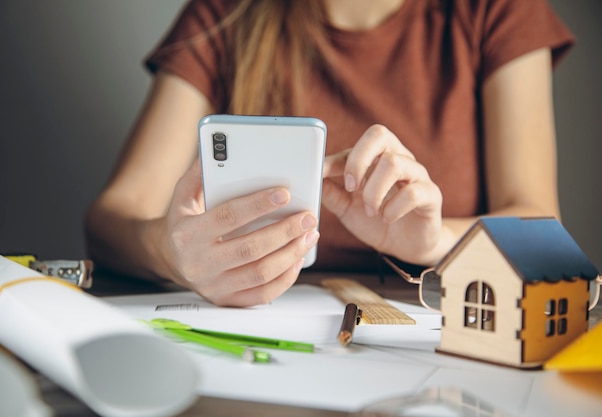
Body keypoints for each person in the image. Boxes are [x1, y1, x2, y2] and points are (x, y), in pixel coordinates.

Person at [84, 0, 574, 307]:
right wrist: (171, 254)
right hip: (265, 333)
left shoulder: (500, 9)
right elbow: (111, 221)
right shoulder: (227, 12)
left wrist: (434, 243)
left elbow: (539, 227)